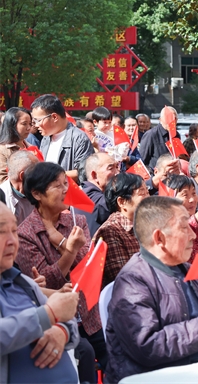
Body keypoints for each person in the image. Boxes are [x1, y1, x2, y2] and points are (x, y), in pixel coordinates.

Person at [105, 196, 198, 383]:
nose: (193, 235)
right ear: (159, 238)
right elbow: (146, 346)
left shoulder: (190, 271)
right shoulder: (132, 282)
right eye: (184, 227)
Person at [16, 162, 106, 381]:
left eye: (66, 183)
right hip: (57, 320)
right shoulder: (25, 234)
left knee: (113, 358)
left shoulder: (76, 220)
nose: (66, 190)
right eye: (58, 186)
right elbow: (45, 283)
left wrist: (61, 241)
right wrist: (70, 250)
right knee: (84, 357)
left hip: (89, 313)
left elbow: (88, 265)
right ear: (37, 193)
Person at [0, 201, 81, 383]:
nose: (12, 241)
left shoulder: (22, 282)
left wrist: (61, 331)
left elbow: (68, 321)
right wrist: (47, 315)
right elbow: (49, 314)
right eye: (1, 232)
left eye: (14, 231)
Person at [94, 173, 149, 289]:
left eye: (147, 192)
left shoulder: (146, 223)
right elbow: (124, 279)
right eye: (142, 193)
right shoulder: (110, 231)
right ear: (122, 202)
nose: (148, 198)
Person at [31, 95, 94, 181]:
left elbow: (83, 172)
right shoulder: (46, 138)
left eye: (38, 120)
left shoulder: (79, 138)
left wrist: (49, 176)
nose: (36, 125)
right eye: (34, 121)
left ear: (54, 117)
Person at [163, 175, 198, 262]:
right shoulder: (166, 226)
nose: (192, 200)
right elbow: (186, 227)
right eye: (185, 195)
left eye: (194, 193)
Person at [80, 152, 119, 237]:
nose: (117, 173)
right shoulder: (88, 196)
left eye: (117, 167)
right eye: (111, 168)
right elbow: (111, 204)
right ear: (94, 175)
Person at [0, 150, 38, 224]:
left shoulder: (40, 194)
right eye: (37, 171)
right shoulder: (3, 200)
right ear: (22, 176)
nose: (41, 174)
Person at [139, 106, 182, 171]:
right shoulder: (151, 134)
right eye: (167, 118)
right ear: (160, 119)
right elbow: (142, 160)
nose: (171, 121)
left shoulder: (176, 135)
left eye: (174, 118)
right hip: (156, 173)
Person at [0, 107, 33, 183]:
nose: (29, 128)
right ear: (12, 125)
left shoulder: (32, 148)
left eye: (30, 124)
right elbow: (2, 179)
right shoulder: (2, 150)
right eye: (24, 124)